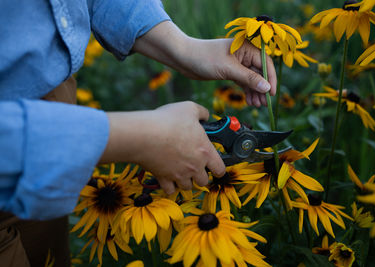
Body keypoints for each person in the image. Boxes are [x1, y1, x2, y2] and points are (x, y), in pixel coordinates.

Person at [0, 0, 277, 266]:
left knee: (48, 256)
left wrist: (182, 47)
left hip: (55, 129)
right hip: (26, 139)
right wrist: (141, 138)